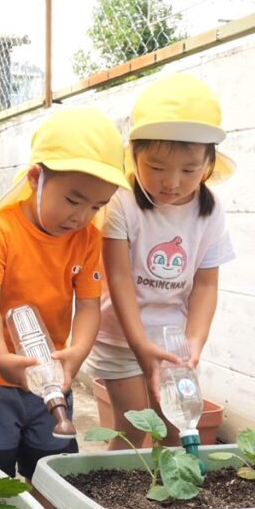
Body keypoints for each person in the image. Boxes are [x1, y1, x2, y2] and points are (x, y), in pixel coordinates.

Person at [0, 106, 130, 509]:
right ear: (35, 178)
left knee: (52, 470)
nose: (82, 214)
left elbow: (88, 305)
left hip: (48, 375)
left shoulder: (87, 237)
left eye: (96, 204)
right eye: (73, 199)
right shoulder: (1, 231)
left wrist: (75, 355)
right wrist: (1, 357)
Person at [82, 73, 236, 449]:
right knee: (133, 430)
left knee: (175, 429)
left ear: (208, 165)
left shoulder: (210, 211)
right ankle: (113, 503)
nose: (172, 183)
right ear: (134, 156)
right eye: (156, 167)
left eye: (188, 170)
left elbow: (206, 284)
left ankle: (172, 503)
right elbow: (117, 279)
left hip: (172, 340)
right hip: (120, 335)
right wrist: (138, 344)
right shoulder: (122, 203)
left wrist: (194, 343)